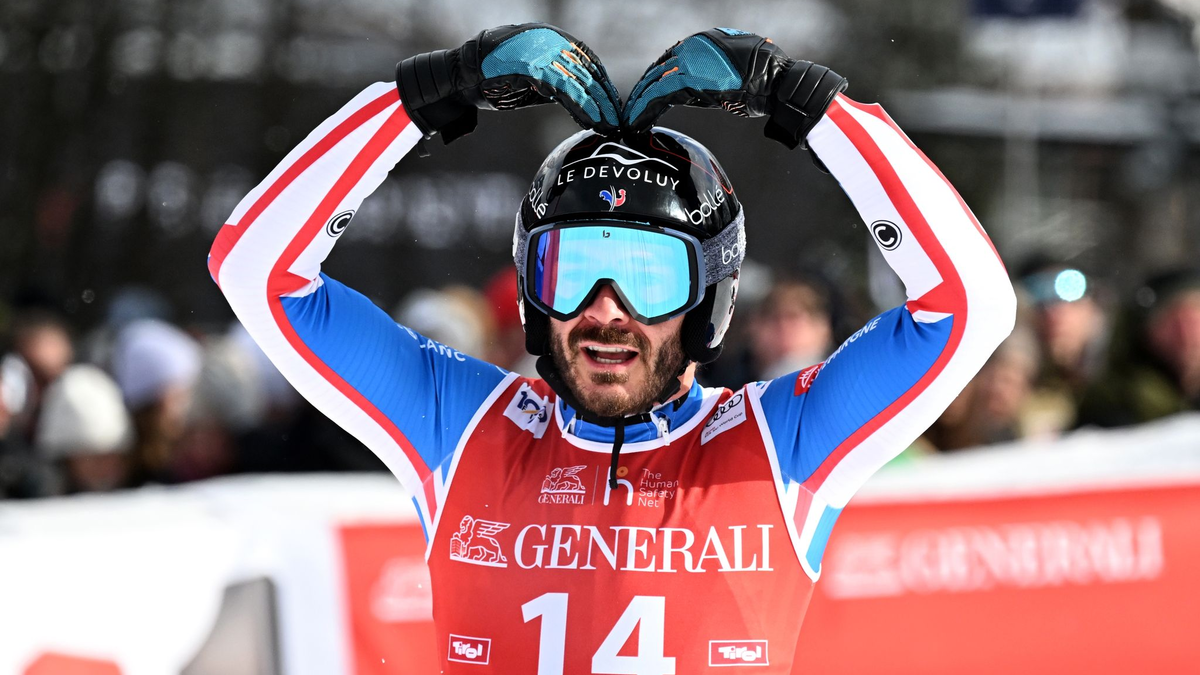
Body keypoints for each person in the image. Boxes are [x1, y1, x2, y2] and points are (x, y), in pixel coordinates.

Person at [210, 25, 1015, 673]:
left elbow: (971, 305)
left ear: (710, 294)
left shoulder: (781, 447)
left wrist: (804, 102)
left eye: (646, 273)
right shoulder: (458, 427)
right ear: (530, 286)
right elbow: (255, 268)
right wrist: (428, 93)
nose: (605, 311)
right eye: (573, 268)